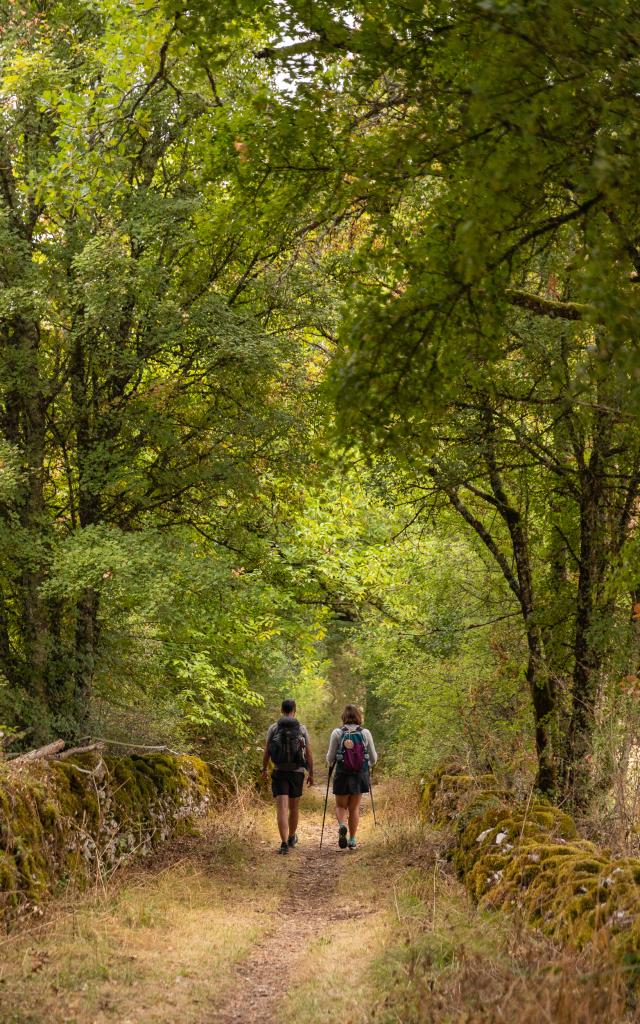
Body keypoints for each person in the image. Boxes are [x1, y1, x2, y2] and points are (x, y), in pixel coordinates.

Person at [262, 698, 314, 854]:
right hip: (297, 773)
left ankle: (284, 844)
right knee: (294, 807)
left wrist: (264, 769)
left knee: (282, 809)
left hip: (279, 772)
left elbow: (267, 751)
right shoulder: (302, 729)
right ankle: (292, 837)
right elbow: (309, 753)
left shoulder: (273, 728)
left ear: (281, 710)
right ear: (294, 711)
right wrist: (310, 773)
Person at [326, 704, 377, 850]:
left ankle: (342, 826)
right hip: (359, 775)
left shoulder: (337, 732)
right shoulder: (365, 733)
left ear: (344, 717)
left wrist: (330, 762)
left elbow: (330, 758)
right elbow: (373, 758)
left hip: (342, 774)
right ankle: (353, 840)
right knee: (354, 808)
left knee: (341, 806)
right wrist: (368, 764)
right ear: (358, 717)